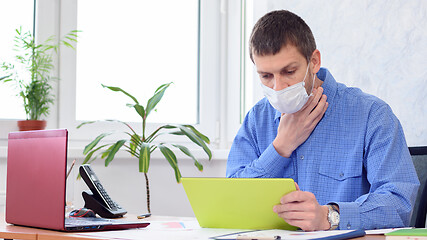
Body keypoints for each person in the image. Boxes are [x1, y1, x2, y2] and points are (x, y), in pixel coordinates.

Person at [226, 10, 419, 231]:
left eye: (289, 71)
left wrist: (328, 216)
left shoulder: (372, 115)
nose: (278, 87)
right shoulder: (256, 120)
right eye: (266, 76)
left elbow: (399, 203)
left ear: (314, 61)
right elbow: (231, 200)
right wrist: (280, 147)